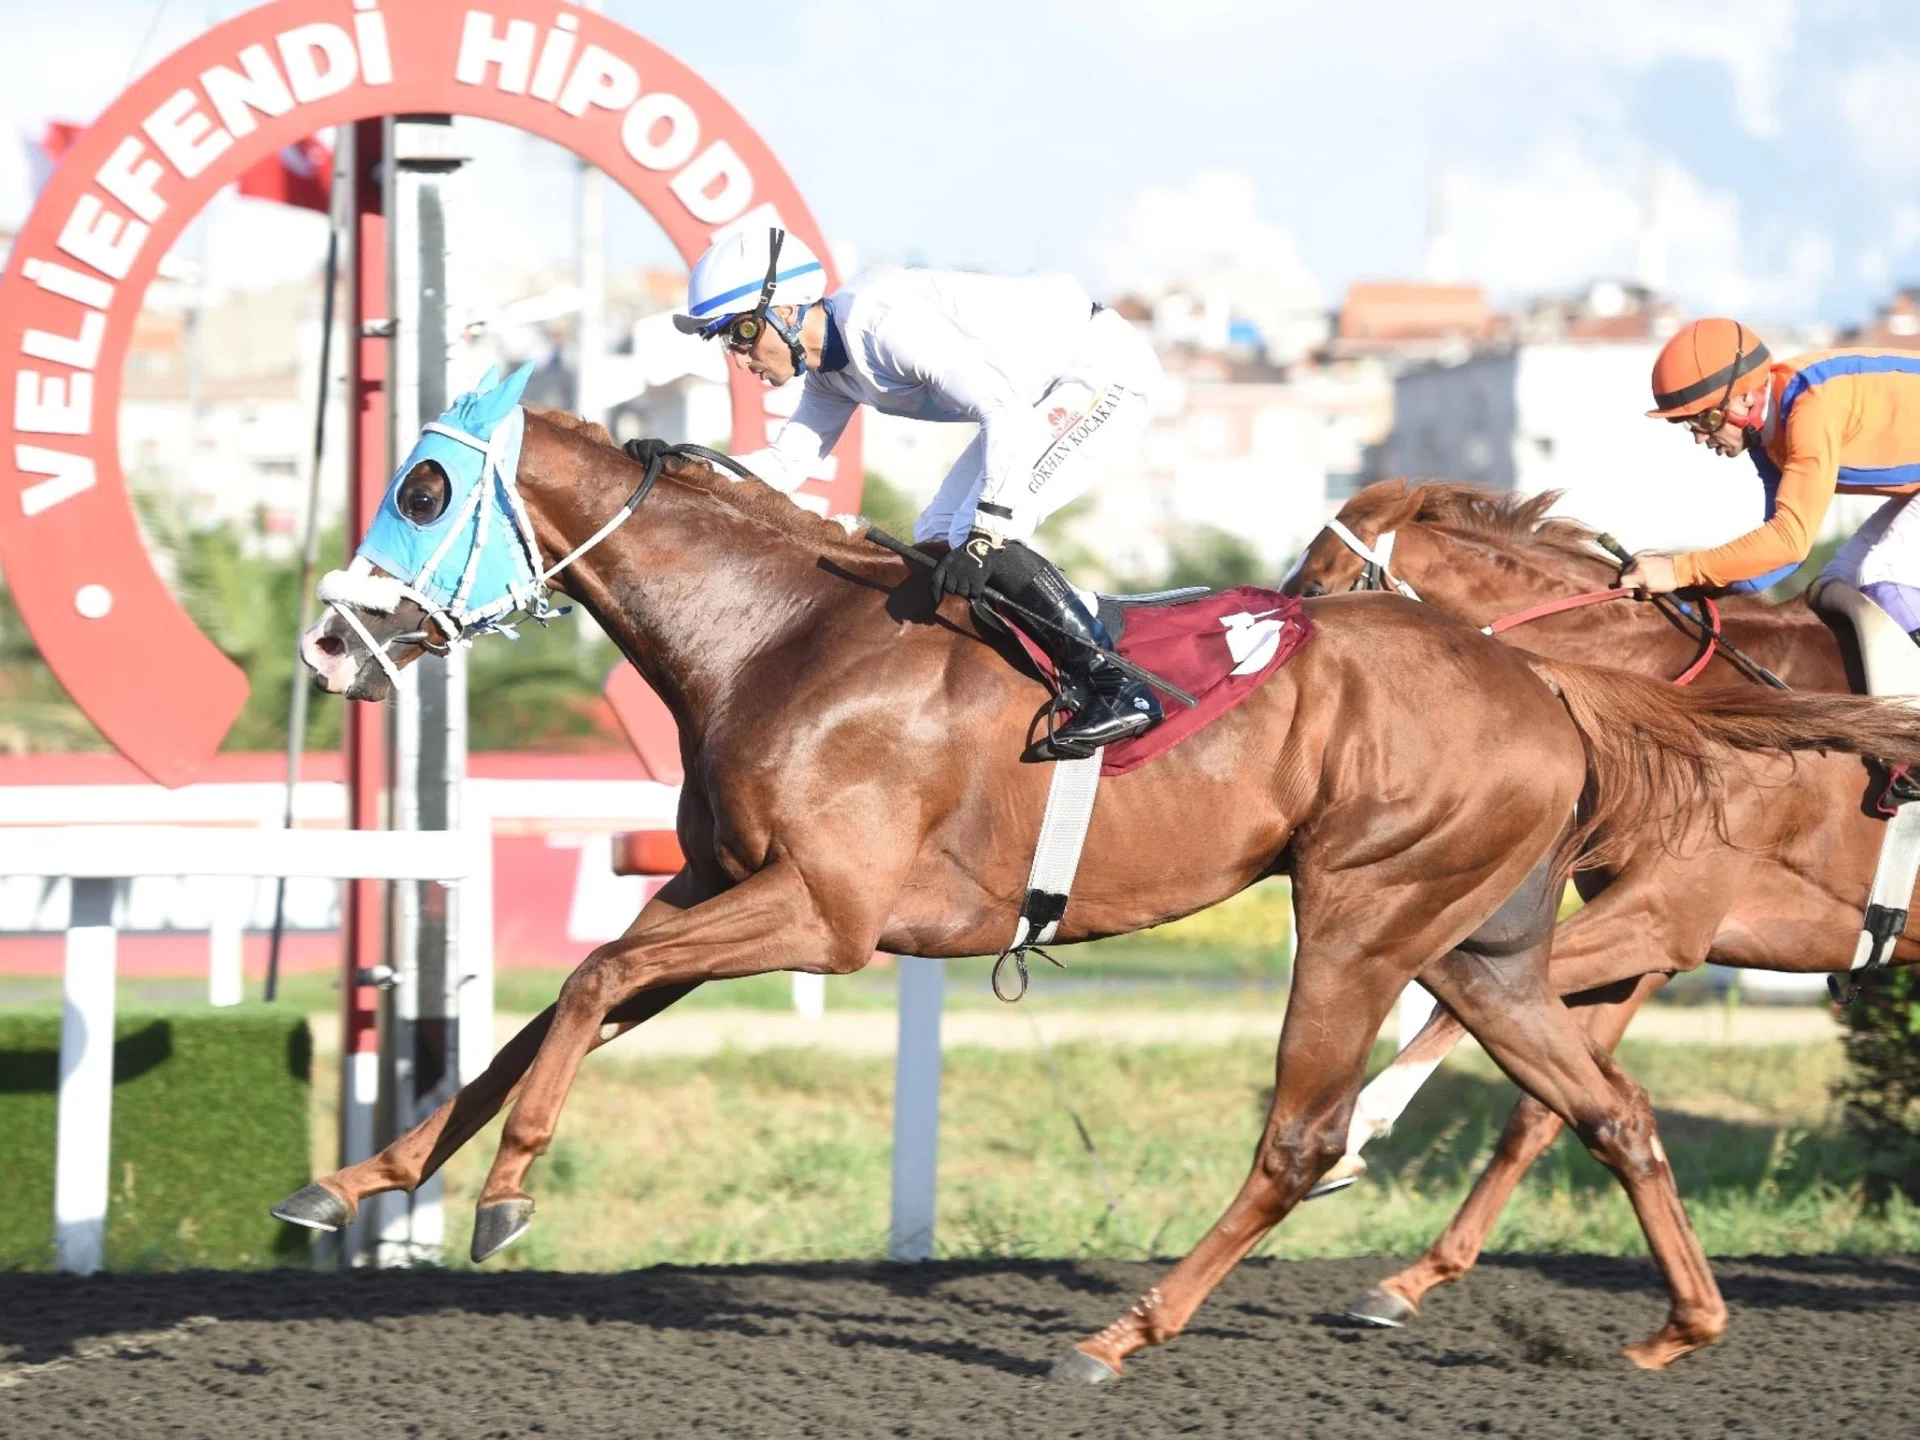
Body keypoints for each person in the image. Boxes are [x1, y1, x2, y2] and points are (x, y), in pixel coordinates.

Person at [656, 225, 1165, 757]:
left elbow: (1003, 409)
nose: (739, 358)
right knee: (936, 539)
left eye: (739, 333)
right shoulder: (831, 375)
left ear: (784, 309)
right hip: (1038, 392)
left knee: (980, 532)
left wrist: (988, 533)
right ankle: (1059, 655)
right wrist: (682, 471)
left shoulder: (882, 326)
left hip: (1100, 373)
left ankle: (1118, 685)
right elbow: (787, 465)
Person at [1620, 317, 1920, 640]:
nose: (1699, 438)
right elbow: (1775, 555)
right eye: (1689, 424)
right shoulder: (1766, 436)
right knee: (1837, 586)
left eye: (1706, 418)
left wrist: (1680, 570)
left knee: (1878, 577)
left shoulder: (1811, 409)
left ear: (1746, 398)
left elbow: (1790, 541)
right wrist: (1690, 584)